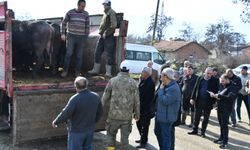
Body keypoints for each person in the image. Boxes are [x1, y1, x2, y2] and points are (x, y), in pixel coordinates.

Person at [52, 76, 103, 150]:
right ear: (86, 85)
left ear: (75, 86)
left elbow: (66, 113)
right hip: (89, 130)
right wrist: (93, 122)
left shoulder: (75, 99)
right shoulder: (96, 96)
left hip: (77, 131)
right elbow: (100, 112)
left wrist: (56, 121)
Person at [102, 61, 140, 149]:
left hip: (113, 116)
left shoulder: (112, 81)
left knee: (110, 138)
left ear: (120, 68)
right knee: (124, 141)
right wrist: (137, 114)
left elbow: (105, 97)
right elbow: (137, 101)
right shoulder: (133, 83)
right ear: (129, 70)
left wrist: (99, 110)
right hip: (126, 118)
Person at [60, 0, 90, 77]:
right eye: (82, 6)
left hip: (81, 37)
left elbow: (87, 26)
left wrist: (86, 37)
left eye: (84, 6)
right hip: (71, 36)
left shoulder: (86, 14)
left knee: (79, 56)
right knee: (68, 54)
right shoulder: (70, 12)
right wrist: (63, 34)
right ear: (78, 5)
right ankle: (65, 71)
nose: (83, 8)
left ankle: (77, 72)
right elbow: (63, 23)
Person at [154, 68, 181, 150]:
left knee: (166, 138)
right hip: (160, 116)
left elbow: (164, 101)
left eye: (161, 76)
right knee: (157, 132)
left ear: (166, 76)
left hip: (166, 118)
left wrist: (161, 90)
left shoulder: (174, 88)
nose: (160, 78)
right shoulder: (165, 85)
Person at [88, 0, 117, 77]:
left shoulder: (111, 12)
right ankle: (95, 70)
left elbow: (113, 25)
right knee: (97, 52)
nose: (103, 6)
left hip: (108, 37)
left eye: (104, 4)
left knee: (108, 55)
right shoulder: (105, 13)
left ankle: (108, 73)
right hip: (102, 36)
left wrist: (106, 33)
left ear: (107, 5)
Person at [188, 67, 219, 137]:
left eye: (210, 74)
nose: (209, 75)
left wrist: (214, 98)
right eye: (208, 73)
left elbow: (216, 91)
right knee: (197, 116)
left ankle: (203, 132)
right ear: (204, 72)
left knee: (206, 118)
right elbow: (195, 88)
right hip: (199, 101)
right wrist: (192, 98)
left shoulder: (215, 80)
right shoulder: (200, 78)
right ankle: (195, 130)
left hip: (208, 102)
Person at [211, 74, 237, 149]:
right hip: (220, 108)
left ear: (227, 80)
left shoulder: (232, 87)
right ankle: (221, 138)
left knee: (224, 125)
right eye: (221, 81)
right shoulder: (222, 85)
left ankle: (225, 142)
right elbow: (221, 94)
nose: (221, 82)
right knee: (221, 124)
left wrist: (218, 96)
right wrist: (215, 96)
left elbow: (230, 98)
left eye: (223, 81)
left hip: (226, 109)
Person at [135, 67, 155, 148]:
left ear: (147, 73)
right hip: (140, 107)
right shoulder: (143, 80)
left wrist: (142, 106)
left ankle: (143, 142)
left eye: (143, 71)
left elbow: (148, 98)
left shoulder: (150, 82)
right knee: (138, 122)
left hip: (146, 108)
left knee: (145, 125)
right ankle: (142, 138)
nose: (141, 73)